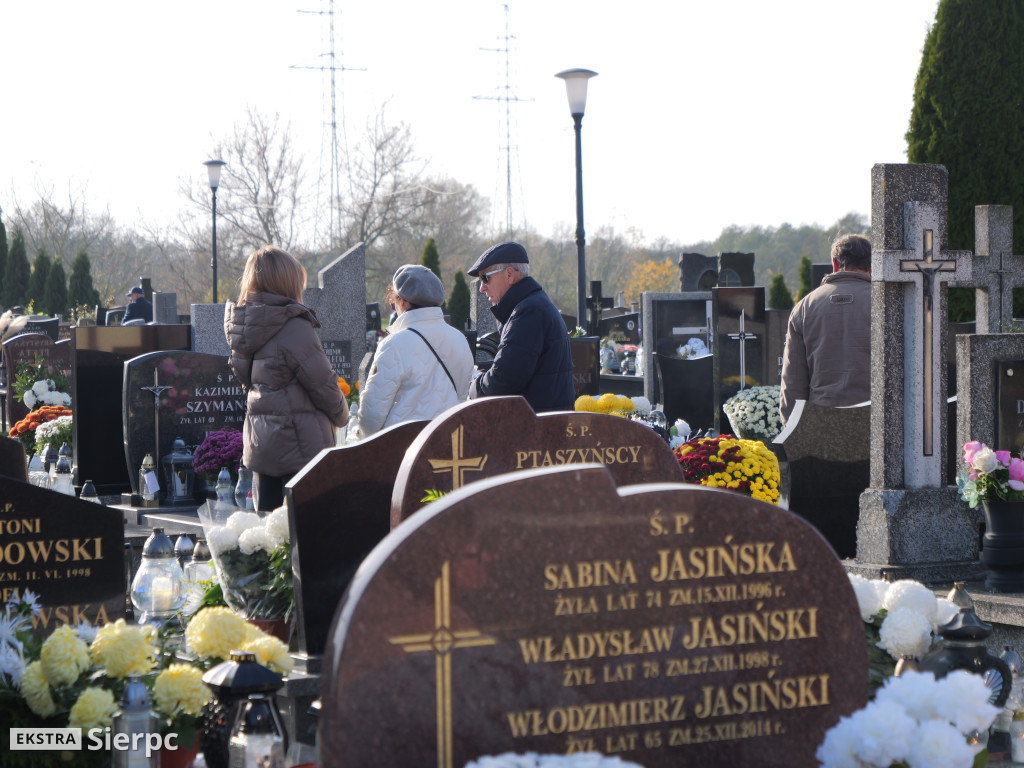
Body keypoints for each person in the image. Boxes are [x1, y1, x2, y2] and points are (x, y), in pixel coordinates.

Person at [224, 246, 348, 510]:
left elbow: (247, 379)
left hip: (261, 444)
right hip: (299, 446)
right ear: (287, 282)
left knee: (269, 533)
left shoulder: (244, 325)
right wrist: (342, 416)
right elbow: (323, 384)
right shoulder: (293, 325)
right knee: (305, 533)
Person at [357, 265, 475, 437]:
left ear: (402, 302)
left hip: (406, 446)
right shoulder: (459, 339)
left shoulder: (394, 345)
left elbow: (371, 417)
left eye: (393, 303)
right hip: (449, 441)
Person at [466, 241, 574, 412]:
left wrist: (473, 388)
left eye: (485, 278)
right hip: (544, 423)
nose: (482, 288)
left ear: (509, 274)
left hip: (537, 428)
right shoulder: (532, 305)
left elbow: (504, 380)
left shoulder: (528, 312)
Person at [779, 233, 872, 425]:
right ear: (871, 265)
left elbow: (793, 379)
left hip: (822, 420)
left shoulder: (804, 307)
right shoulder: (889, 303)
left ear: (834, 264)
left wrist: (792, 429)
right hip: (877, 418)